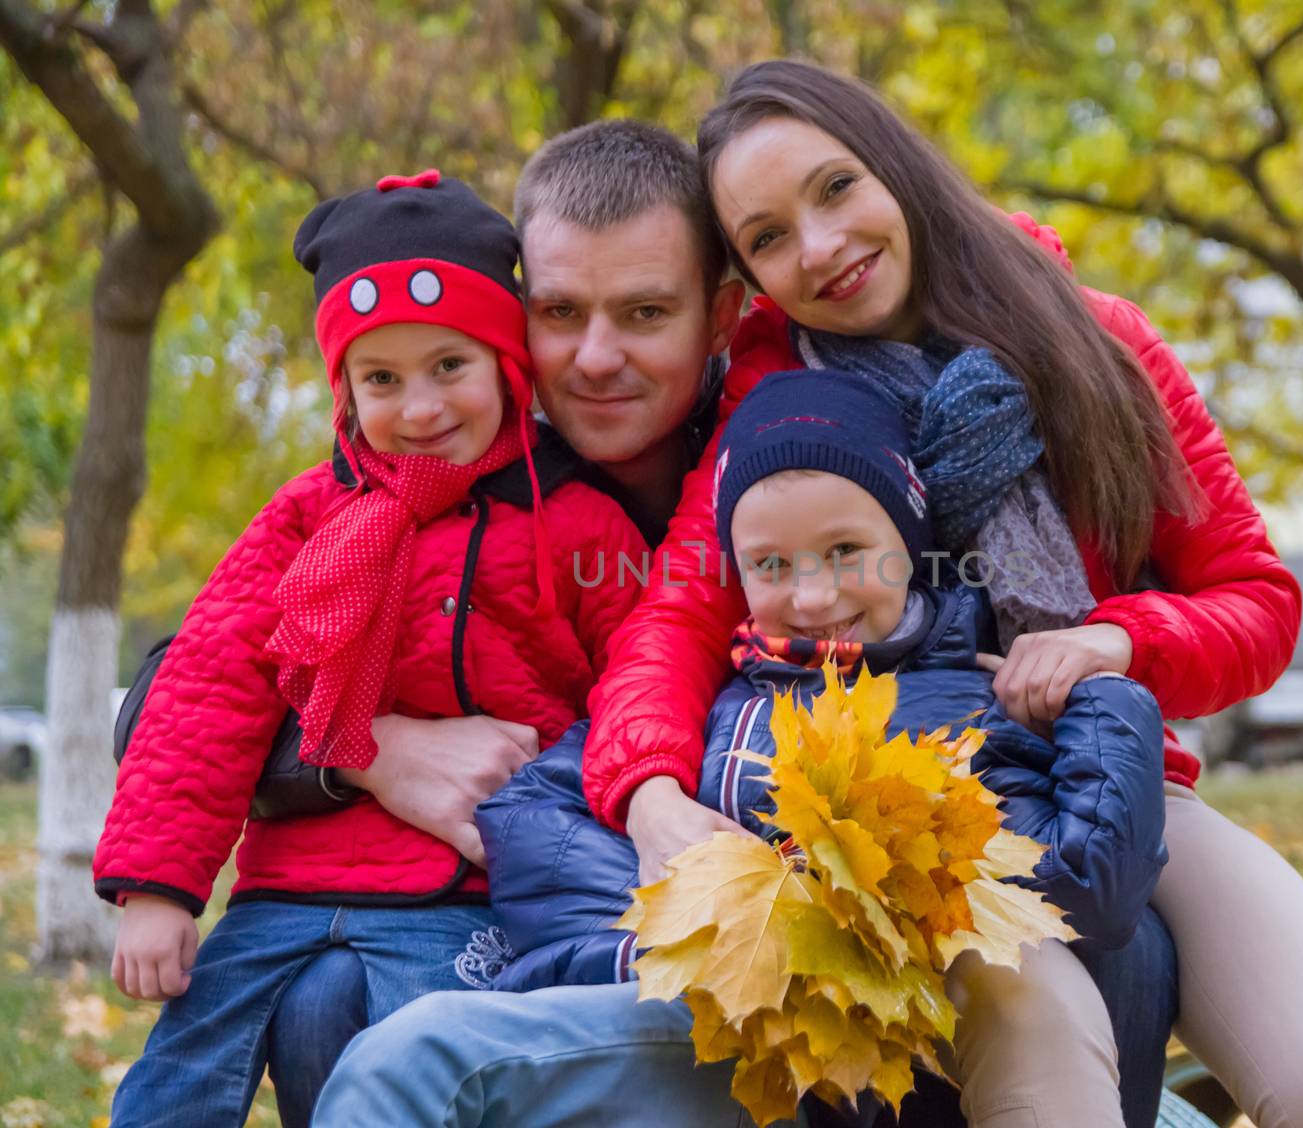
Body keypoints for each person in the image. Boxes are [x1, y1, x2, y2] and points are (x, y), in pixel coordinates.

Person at [576, 60, 1303, 1128]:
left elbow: (1253, 602)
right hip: (889, 805)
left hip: (1104, 773)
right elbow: (671, 621)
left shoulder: (1098, 343)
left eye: (835, 190)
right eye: (769, 237)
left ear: (893, 166)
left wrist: (1113, 643)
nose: (822, 248)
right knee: (1041, 1042)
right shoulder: (780, 398)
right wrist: (650, 794)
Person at [310, 121, 1180, 1128]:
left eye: (643, 311)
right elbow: (197, 679)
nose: (596, 358)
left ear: (720, 316)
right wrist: (358, 752)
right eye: (559, 312)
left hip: (814, 901)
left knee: (1127, 948)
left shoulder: (804, 449)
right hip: (546, 904)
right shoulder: (435, 458)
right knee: (341, 1002)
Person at [92, 170, 646, 1128]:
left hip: (465, 892)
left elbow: (638, 688)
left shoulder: (574, 522)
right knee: (174, 1084)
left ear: (507, 364)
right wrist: (155, 889)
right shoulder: (312, 517)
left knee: (417, 1080)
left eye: (449, 366)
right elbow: (206, 688)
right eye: (381, 378)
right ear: (345, 390)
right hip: (286, 887)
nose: (420, 406)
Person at [475, 367, 1169, 1128]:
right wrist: (711, 918)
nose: (811, 597)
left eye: (845, 551)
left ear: (908, 546)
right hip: (721, 1055)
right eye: (771, 565)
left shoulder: (974, 703)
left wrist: (1104, 702)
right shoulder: (713, 708)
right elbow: (529, 828)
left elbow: (1085, 890)